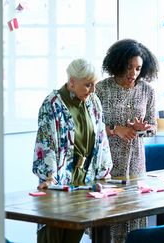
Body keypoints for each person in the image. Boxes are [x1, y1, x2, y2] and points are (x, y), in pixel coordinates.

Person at [32, 58, 113, 243]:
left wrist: (104, 171)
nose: (93, 90)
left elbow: (101, 138)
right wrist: (48, 176)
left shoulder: (93, 102)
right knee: (52, 236)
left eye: (95, 85)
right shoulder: (52, 104)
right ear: (72, 82)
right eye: (88, 85)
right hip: (57, 182)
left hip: (84, 181)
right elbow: (45, 143)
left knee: (73, 236)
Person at [95, 39, 159, 243]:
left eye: (138, 68)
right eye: (129, 67)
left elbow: (153, 127)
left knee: (134, 222)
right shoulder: (101, 89)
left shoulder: (147, 91)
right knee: (108, 220)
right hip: (108, 163)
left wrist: (144, 129)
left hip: (136, 164)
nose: (133, 73)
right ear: (118, 63)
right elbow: (91, 127)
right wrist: (115, 130)